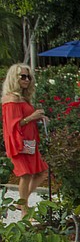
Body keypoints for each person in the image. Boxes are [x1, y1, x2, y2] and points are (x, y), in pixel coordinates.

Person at [1, 63, 49, 217]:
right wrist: (32, 117)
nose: (26, 79)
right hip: (19, 142)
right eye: (23, 76)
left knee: (42, 172)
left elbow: (24, 120)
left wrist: (39, 118)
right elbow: (12, 124)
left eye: (28, 76)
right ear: (14, 78)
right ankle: (24, 211)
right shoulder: (12, 99)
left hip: (29, 142)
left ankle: (21, 202)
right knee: (26, 175)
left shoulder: (22, 98)